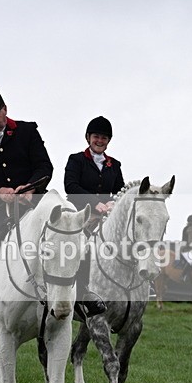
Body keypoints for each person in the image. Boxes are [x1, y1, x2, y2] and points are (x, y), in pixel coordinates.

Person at [0, 86, 54, 329]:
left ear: (5, 110)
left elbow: (45, 167)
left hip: (33, 202)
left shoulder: (28, 131)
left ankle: (81, 296)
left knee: (68, 232)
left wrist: (31, 187)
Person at [64, 115, 124, 317]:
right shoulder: (76, 160)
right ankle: (80, 292)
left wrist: (112, 202)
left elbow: (119, 191)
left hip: (105, 217)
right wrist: (94, 203)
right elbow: (70, 187)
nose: (100, 141)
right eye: (97, 136)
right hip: (81, 215)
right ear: (88, 137)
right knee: (80, 248)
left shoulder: (114, 165)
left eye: (104, 138)